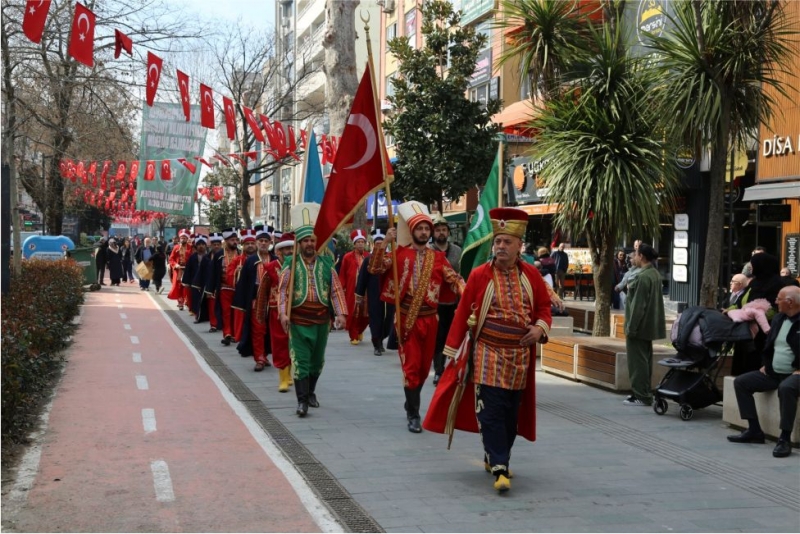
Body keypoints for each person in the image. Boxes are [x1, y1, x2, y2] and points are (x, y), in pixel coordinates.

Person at [423, 207, 552, 493]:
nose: (501, 247)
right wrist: (452, 352)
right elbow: (460, 313)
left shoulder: (531, 275)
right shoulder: (481, 275)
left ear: (520, 246)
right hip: (487, 354)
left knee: (510, 414)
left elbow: (544, 308)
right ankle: (500, 467)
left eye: (507, 242)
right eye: (498, 242)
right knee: (491, 411)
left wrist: (539, 329)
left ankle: (493, 454)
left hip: (519, 358)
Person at [368, 201, 464, 433]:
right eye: (419, 228)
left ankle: (411, 399)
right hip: (406, 318)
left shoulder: (438, 258)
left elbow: (454, 279)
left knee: (423, 370)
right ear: (412, 231)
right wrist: (386, 244)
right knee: (411, 368)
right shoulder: (399, 253)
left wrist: (469, 293)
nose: (423, 232)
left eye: (426, 228)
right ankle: (414, 413)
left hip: (431, 319)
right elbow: (374, 269)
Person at [279, 203, 347, 417]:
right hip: (298, 321)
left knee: (317, 362)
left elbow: (336, 290)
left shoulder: (327, 264)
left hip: (321, 321)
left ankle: (310, 392)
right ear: (299, 243)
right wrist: (283, 313)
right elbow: (282, 292)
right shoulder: (290, 263)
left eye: (312, 240)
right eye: (305, 240)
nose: (309, 244)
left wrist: (341, 314)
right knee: (300, 360)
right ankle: (301, 402)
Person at [728, 285, 800, 458]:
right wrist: (766, 365)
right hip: (774, 372)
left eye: (779, 299)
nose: (775, 302)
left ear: (789, 302)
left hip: (795, 374)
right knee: (741, 382)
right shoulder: (778, 319)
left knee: (787, 388)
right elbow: (769, 345)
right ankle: (754, 430)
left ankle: (784, 439)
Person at [623, 243, 665, 407]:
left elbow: (638, 306)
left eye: (635, 253)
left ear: (641, 256)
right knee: (645, 360)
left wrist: (631, 328)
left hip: (639, 327)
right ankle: (644, 393)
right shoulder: (654, 274)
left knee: (637, 362)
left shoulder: (643, 277)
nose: (633, 256)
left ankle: (641, 395)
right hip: (649, 325)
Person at [728, 253, 784, 375]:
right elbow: (741, 301)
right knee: (743, 361)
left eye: (753, 265)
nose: (751, 268)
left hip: (765, 331)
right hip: (746, 330)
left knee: (756, 360)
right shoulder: (754, 282)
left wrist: (757, 315)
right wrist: (729, 310)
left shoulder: (777, 283)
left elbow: (776, 307)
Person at [234, 227, 275, 371]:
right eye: (261, 241)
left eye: (266, 241)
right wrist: (241, 303)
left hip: (273, 301)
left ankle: (264, 354)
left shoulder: (275, 259)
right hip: (255, 300)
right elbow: (243, 282)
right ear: (257, 242)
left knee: (270, 330)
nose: (263, 243)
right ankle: (259, 358)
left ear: (271, 242)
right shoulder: (251, 261)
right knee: (257, 329)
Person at [430, 216, 462, 386]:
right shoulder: (428, 251)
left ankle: (453, 369)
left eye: (443, 230)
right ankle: (438, 370)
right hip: (434, 303)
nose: (441, 233)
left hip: (454, 302)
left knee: (454, 336)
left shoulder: (457, 250)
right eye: (438, 230)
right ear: (433, 233)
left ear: (448, 232)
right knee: (438, 338)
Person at [355, 229, 394, 356]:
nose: (379, 246)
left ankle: (382, 338)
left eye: (381, 244)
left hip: (389, 296)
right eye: (377, 244)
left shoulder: (391, 259)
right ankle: (376, 344)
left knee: (389, 320)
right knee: (376, 319)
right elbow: (362, 279)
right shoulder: (369, 260)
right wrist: (359, 294)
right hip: (374, 294)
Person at [264, 233, 294, 390]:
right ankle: (282, 378)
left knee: (293, 343)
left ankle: (289, 373)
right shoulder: (270, 267)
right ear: (279, 252)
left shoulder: (298, 266)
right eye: (286, 249)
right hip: (277, 310)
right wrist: (260, 312)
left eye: (291, 248)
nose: (289, 251)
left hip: (296, 309)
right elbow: (263, 290)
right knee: (280, 343)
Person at [339, 229, 371, 345]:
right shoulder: (347, 257)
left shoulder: (368, 256)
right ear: (354, 244)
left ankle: (360, 330)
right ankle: (353, 334)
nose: (360, 244)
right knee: (353, 313)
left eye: (362, 242)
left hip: (366, 291)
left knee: (366, 314)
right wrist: (342, 287)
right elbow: (343, 273)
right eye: (358, 242)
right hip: (352, 289)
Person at [229, 228, 257, 344]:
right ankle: (239, 336)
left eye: (252, 243)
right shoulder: (237, 260)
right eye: (247, 244)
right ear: (243, 245)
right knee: (240, 315)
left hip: (257, 293)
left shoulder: (262, 259)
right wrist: (236, 271)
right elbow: (229, 275)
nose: (250, 246)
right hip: (242, 293)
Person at [183, 235, 210, 324]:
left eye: (203, 244)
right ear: (196, 246)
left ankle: (206, 316)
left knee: (206, 300)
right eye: (199, 244)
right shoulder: (192, 257)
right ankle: (197, 316)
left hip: (206, 282)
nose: (201, 246)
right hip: (194, 282)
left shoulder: (209, 257)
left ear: (206, 245)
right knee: (196, 300)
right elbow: (188, 270)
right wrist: (187, 282)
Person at [167, 230, 193, 310]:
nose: (183, 239)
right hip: (178, 270)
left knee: (187, 286)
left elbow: (193, 258)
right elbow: (171, 259)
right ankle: (180, 302)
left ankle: (187, 302)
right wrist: (175, 264)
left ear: (187, 238)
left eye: (184, 238)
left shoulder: (191, 248)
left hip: (188, 270)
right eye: (181, 238)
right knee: (178, 286)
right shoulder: (176, 247)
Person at [204, 233, 224, 332]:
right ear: (211, 245)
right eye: (214, 244)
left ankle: (222, 324)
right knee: (212, 305)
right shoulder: (206, 257)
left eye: (218, 244)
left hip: (222, 285)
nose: (216, 246)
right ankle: (213, 324)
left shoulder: (225, 256)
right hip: (210, 285)